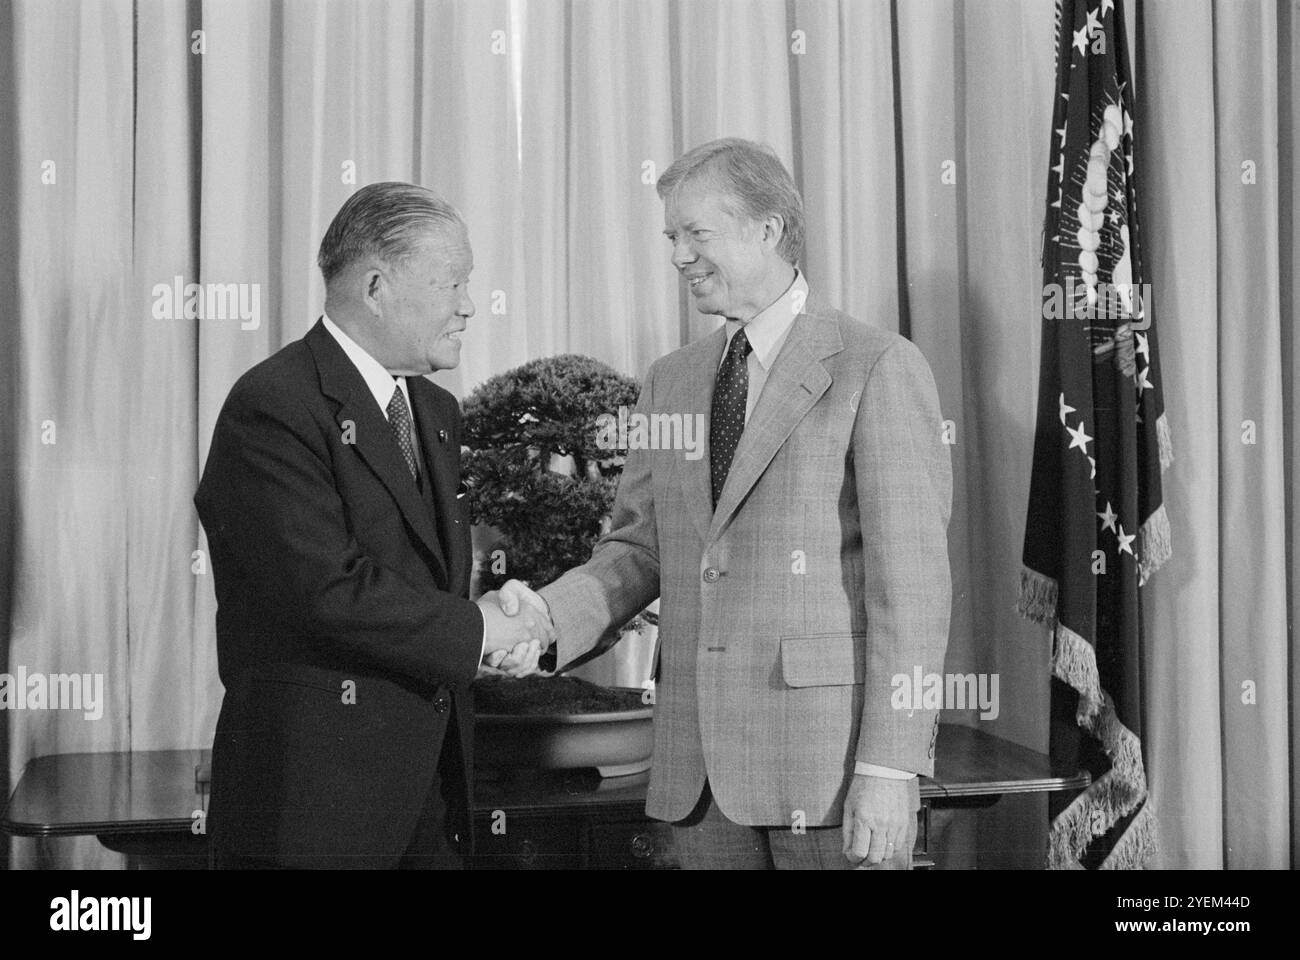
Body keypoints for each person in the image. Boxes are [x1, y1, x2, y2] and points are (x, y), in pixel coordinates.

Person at [502, 138, 952, 869]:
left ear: (768, 230)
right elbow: (639, 548)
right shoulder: (671, 381)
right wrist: (546, 618)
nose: (679, 256)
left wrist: (892, 766)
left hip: (833, 775)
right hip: (697, 776)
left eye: (696, 234)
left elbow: (915, 592)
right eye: (671, 238)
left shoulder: (877, 366)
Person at [195, 181, 552, 869]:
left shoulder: (437, 412)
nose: (469, 304)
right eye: (452, 283)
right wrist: (479, 630)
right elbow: (325, 589)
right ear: (377, 286)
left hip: (431, 800)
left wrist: (493, 627)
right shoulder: (274, 406)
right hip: (314, 809)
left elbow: (421, 583)